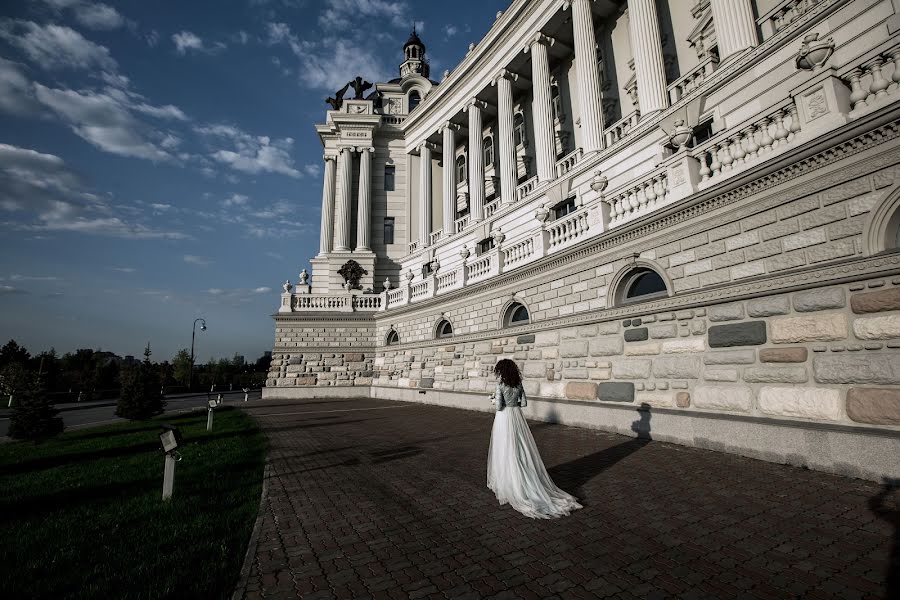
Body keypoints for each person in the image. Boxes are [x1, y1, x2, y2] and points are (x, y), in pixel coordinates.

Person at [487, 359, 582, 519]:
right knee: (520, 447)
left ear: (501, 371)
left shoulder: (500, 386)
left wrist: (493, 399)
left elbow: (498, 407)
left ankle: (510, 480)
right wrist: (513, 401)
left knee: (505, 447)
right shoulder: (518, 385)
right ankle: (524, 475)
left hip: (504, 418)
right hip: (517, 416)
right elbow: (523, 403)